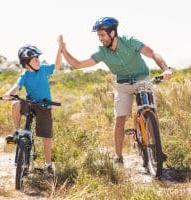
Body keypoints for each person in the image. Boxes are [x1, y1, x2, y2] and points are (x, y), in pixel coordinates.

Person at [59, 17, 172, 164]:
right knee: (119, 120)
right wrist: (64, 51)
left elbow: (153, 54)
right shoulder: (102, 52)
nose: (100, 39)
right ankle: (118, 157)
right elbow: (78, 64)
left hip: (142, 79)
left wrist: (166, 69)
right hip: (123, 85)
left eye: (102, 35)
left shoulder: (130, 42)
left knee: (149, 110)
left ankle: (157, 150)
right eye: (98, 35)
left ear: (112, 33)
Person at [1, 36, 63, 172]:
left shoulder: (43, 69)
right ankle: (17, 132)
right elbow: (16, 86)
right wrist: (8, 94)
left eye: (38, 59)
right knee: (16, 103)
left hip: (44, 106)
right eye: (35, 59)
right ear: (27, 63)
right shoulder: (25, 75)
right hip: (30, 103)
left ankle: (48, 165)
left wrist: (60, 48)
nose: (38, 61)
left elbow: (57, 65)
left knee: (47, 137)